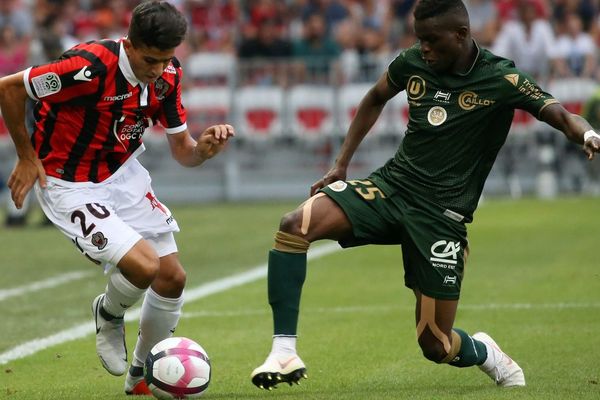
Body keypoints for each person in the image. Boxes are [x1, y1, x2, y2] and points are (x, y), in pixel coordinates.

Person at [250, 0, 600, 390]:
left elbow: (560, 113)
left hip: (441, 217)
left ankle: (485, 352)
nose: (425, 49)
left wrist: (587, 134)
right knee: (295, 225)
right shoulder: (413, 62)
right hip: (393, 187)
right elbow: (374, 97)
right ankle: (284, 350)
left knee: (434, 343)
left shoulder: (501, 78)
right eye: (420, 40)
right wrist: (340, 163)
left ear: (462, 35)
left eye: (432, 41)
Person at [0, 0, 234, 396]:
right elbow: (9, 88)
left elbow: (183, 150)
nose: (158, 70)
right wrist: (25, 155)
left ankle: (141, 376)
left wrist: (203, 150)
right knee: (143, 267)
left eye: (166, 60)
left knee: (172, 277)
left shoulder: (167, 76)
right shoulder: (87, 67)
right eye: (150, 60)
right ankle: (108, 314)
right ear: (129, 44)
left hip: (122, 175)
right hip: (67, 183)